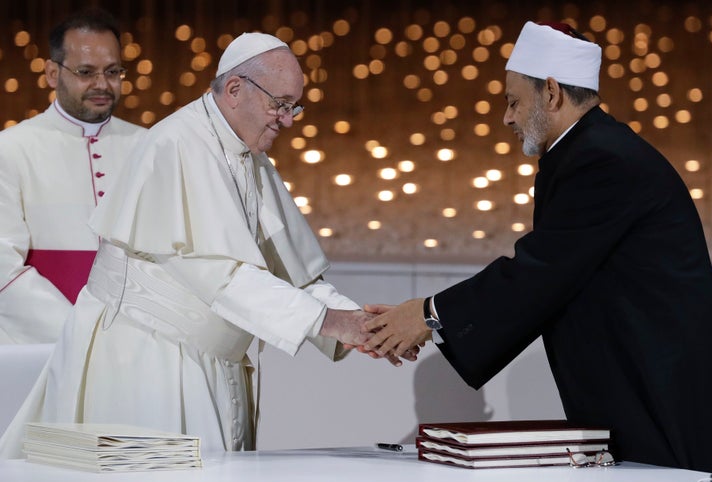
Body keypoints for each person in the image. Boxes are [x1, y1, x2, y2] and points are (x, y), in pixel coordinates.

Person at [0, 32, 415, 459]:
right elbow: (223, 277)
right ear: (235, 90)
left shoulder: (249, 157)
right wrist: (329, 322)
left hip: (212, 363)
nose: (288, 119)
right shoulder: (175, 145)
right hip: (148, 361)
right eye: (281, 104)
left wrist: (362, 326)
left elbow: (293, 271)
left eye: (294, 106)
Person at [361, 21, 712, 471]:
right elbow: (549, 277)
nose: (506, 118)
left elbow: (539, 271)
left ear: (551, 93)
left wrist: (430, 313)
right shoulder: (585, 152)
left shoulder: (602, 160)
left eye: (514, 101)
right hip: (637, 382)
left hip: (660, 394)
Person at [0, 8, 146, 344]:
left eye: (113, 72)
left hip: (137, 345)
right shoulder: (10, 149)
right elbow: (2, 266)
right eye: (86, 72)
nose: (102, 84)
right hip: (42, 347)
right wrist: (77, 336)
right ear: (52, 73)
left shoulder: (150, 148)